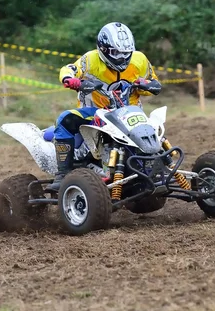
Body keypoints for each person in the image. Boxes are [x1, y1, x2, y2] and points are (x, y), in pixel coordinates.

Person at [47, 22, 161, 191]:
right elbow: (69, 69)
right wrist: (71, 80)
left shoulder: (139, 60)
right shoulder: (91, 59)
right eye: (116, 52)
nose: (122, 58)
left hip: (130, 113)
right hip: (96, 113)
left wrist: (147, 85)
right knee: (64, 118)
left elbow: (153, 81)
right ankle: (63, 173)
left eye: (125, 53)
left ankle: (159, 165)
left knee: (158, 128)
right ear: (104, 49)